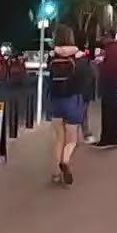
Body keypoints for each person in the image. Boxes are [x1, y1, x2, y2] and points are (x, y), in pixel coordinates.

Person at [46, 25, 87, 184]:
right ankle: (65, 160)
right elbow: (87, 78)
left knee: (59, 138)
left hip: (56, 100)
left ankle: (55, 173)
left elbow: (49, 78)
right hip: (73, 100)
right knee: (72, 139)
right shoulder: (79, 57)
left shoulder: (52, 56)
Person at [95, 32, 117, 149]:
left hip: (109, 83)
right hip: (115, 83)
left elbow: (107, 68)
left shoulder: (109, 51)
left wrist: (100, 64)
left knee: (108, 111)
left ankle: (108, 138)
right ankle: (114, 137)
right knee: (114, 110)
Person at [78, 43, 99, 145]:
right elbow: (92, 78)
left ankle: (70, 138)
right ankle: (86, 134)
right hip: (83, 92)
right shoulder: (87, 62)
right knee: (83, 113)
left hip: (72, 92)